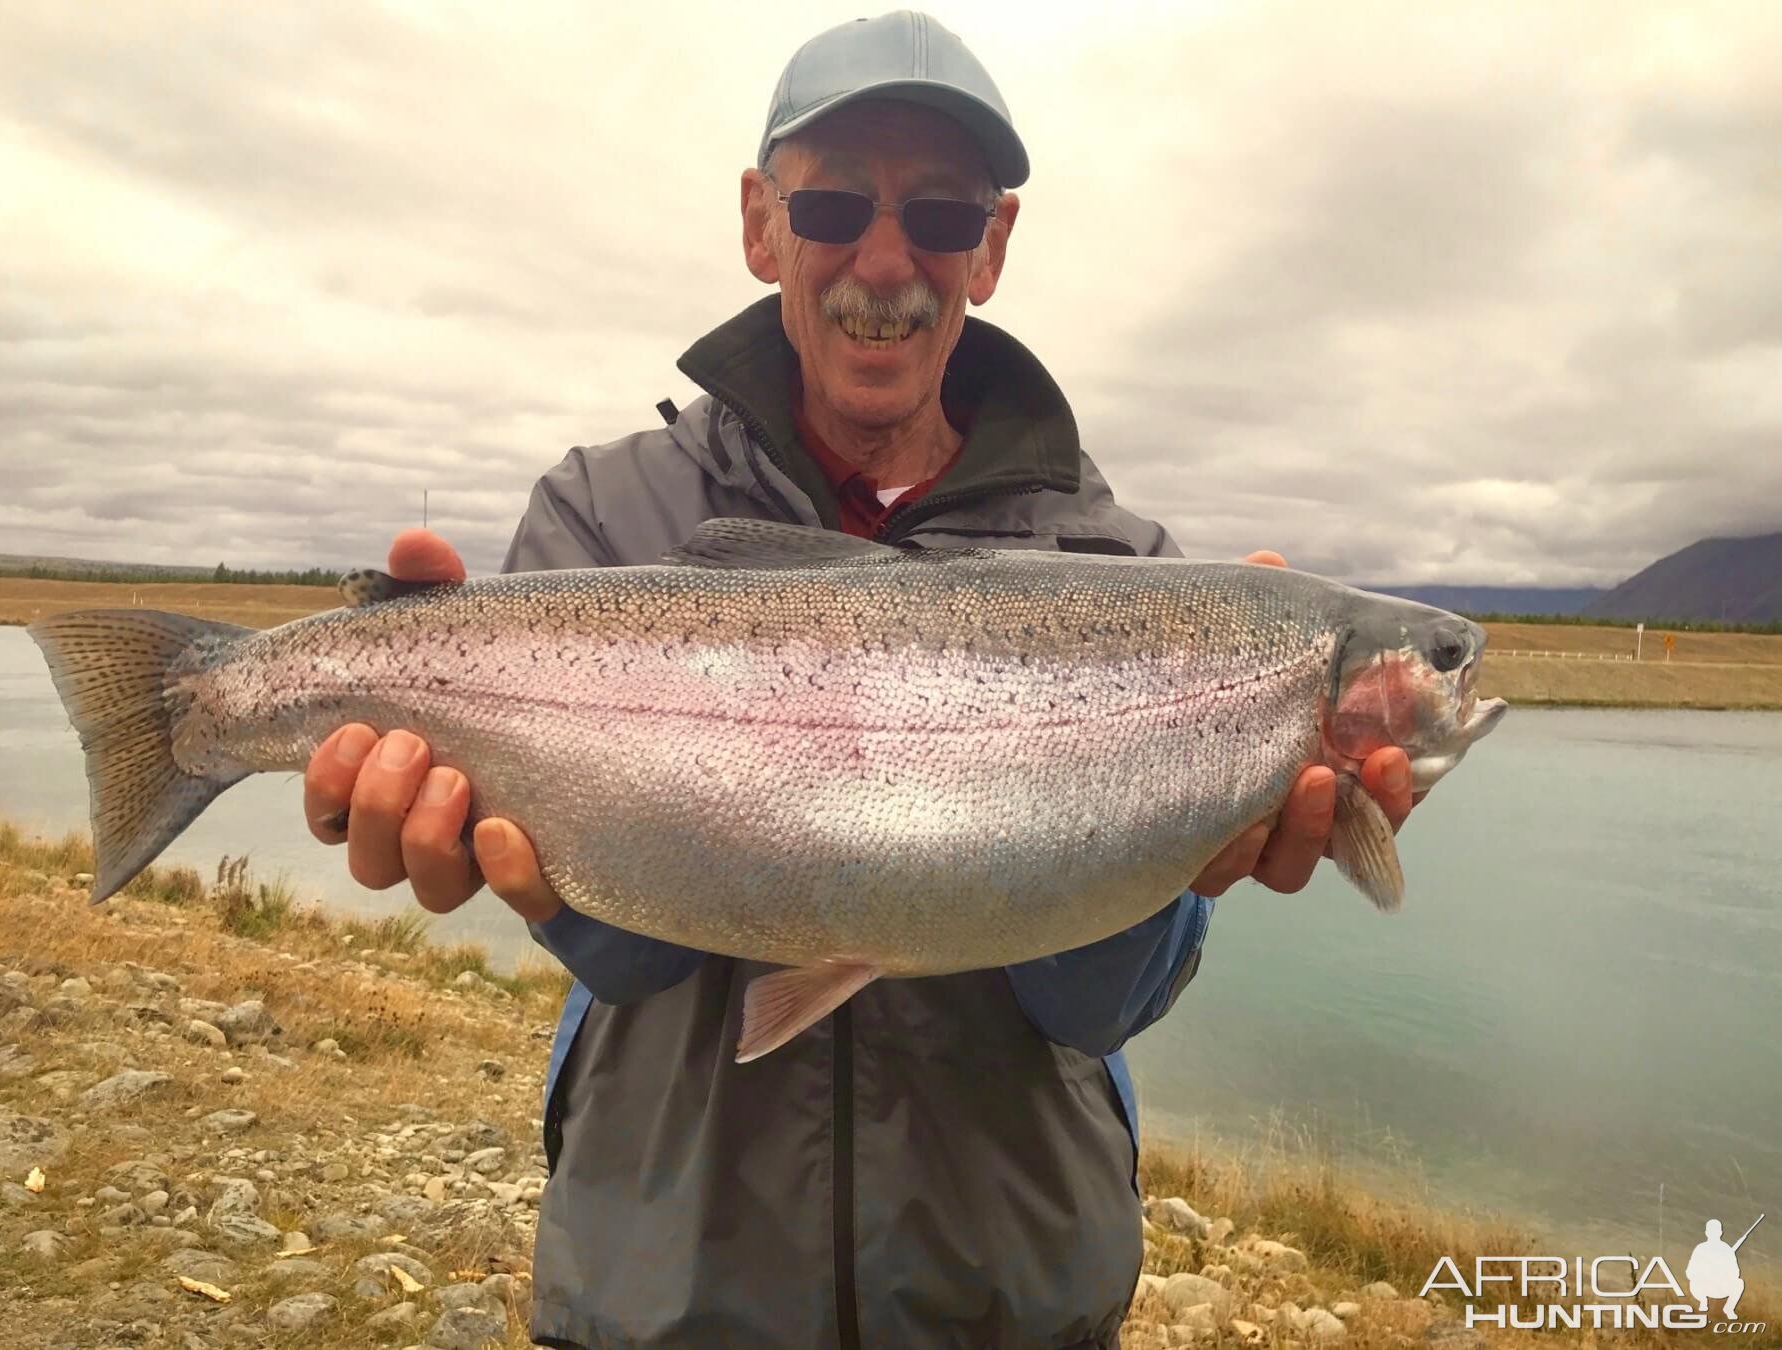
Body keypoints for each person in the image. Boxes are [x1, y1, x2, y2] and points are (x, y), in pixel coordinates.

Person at [300, 13, 1419, 1347]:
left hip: (1007, 1300)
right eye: (834, 203)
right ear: (760, 223)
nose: (885, 261)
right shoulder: (603, 517)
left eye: (940, 217)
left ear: (992, 247)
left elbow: (1100, 1002)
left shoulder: (1132, 575)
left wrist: (1170, 841)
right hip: (664, 1294)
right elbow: (625, 951)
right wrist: (498, 842)